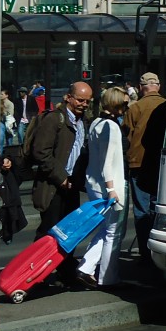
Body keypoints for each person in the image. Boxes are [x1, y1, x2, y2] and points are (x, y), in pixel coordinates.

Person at [28, 82, 93, 286]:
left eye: (87, 101)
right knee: (48, 232)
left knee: (69, 233)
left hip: (72, 185)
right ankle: (36, 274)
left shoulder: (85, 121)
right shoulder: (55, 119)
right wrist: (61, 177)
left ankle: (65, 273)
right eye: (80, 100)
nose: (83, 104)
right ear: (68, 98)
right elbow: (41, 152)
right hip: (53, 186)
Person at [78, 86, 128, 288]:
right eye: (124, 102)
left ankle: (86, 267)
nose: (127, 105)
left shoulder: (96, 122)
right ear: (116, 103)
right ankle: (107, 277)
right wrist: (112, 189)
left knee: (105, 229)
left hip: (94, 183)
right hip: (110, 185)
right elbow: (108, 162)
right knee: (113, 232)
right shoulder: (112, 126)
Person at [124, 71, 166, 268]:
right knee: (158, 207)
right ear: (157, 86)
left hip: (138, 162)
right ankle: (161, 251)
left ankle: (145, 253)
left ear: (141, 87)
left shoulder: (135, 107)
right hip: (162, 163)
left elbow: (127, 135)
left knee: (141, 211)